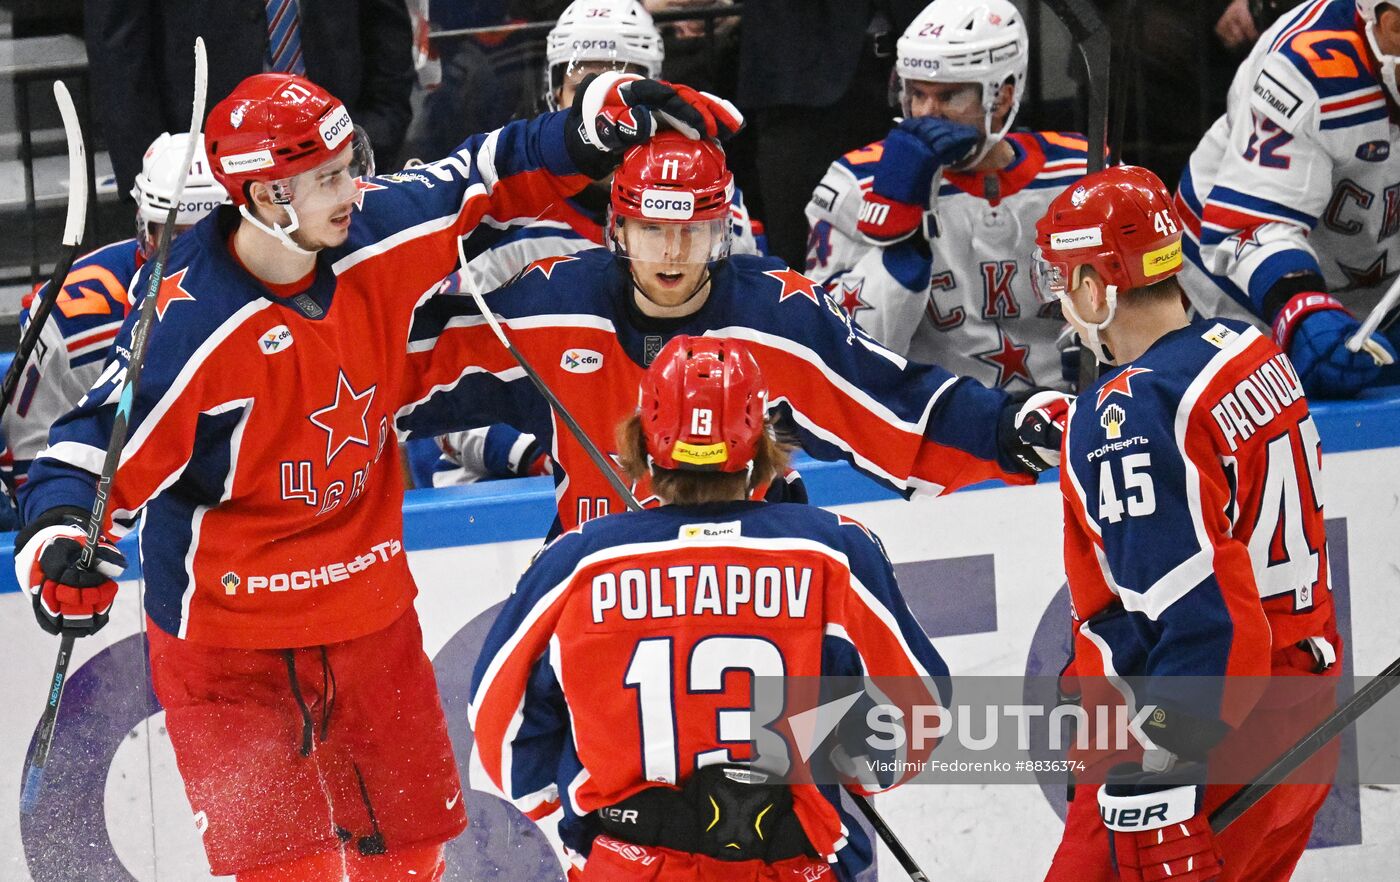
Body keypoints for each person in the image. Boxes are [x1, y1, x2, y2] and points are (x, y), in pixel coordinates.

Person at [14, 70, 740, 881]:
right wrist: (60, 541)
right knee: (287, 873)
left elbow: (488, 170)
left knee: (411, 854)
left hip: (370, 623)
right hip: (231, 650)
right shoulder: (188, 328)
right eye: (326, 176)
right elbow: (84, 452)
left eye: (346, 164)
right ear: (263, 195)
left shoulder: (374, 228)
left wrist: (592, 125)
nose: (351, 187)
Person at [402, 130, 1063, 537]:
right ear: (620, 230)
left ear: (722, 231)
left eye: (692, 230)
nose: (672, 252)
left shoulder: (774, 314)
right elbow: (407, 368)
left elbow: (892, 397)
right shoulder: (550, 306)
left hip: (752, 563)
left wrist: (1007, 427)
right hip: (601, 567)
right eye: (654, 230)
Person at [469, 334, 947, 880]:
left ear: (642, 442)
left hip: (630, 863)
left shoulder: (577, 560)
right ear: (763, 440)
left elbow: (499, 723)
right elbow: (913, 720)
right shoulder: (832, 551)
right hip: (789, 863)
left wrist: (579, 814)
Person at [1031, 166, 1340, 882]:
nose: (1062, 300)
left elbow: (1205, 618)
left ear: (1094, 285)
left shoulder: (1131, 417)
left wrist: (1165, 762)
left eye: (1064, 279)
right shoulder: (1252, 350)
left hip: (1200, 738)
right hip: (1304, 716)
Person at [805, 0, 1090, 393]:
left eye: (950, 96)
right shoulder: (856, 182)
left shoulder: (1082, 172)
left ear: (1003, 97)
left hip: (1066, 418)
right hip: (931, 425)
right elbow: (839, 356)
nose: (927, 113)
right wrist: (897, 232)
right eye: (917, 94)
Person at [1176, 0, 1400, 398]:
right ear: (1393, 27)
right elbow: (1253, 225)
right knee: (1264, 419)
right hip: (1241, 274)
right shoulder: (1305, 67)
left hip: (1378, 279)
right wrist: (1303, 310)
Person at [2, 132, 227, 490]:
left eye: (216, 233)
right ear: (145, 228)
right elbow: (37, 466)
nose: (195, 256)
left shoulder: (294, 284)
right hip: (113, 514)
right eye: (177, 236)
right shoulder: (68, 318)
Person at [85, 0, 418, 197]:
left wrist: (377, 133)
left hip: (342, 166)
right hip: (200, 178)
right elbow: (117, 50)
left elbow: (386, 25)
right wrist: (156, 176)